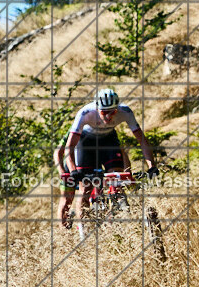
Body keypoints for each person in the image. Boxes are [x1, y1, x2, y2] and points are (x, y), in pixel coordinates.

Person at [58, 88, 159, 228]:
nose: (108, 117)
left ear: (117, 109)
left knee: (117, 180)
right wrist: (74, 170)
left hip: (108, 140)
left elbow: (142, 140)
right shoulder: (85, 113)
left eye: (113, 112)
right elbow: (70, 146)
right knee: (86, 188)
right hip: (86, 143)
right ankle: (84, 228)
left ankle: (120, 219)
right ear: (97, 108)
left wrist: (152, 166)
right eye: (104, 112)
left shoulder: (126, 112)